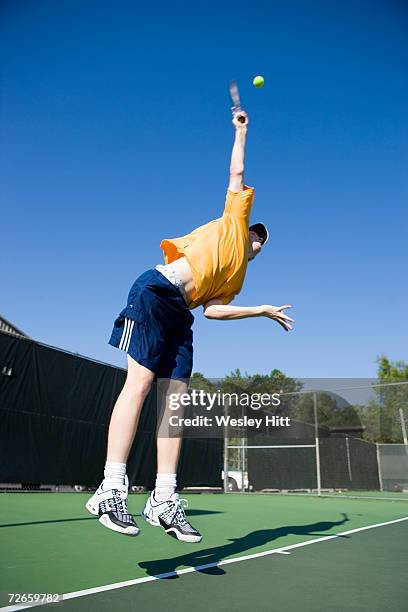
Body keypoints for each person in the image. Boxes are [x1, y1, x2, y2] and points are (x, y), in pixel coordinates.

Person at [86, 109, 294, 542]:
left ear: (262, 248)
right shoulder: (234, 223)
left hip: (183, 314)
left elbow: (213, 311)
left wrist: (261, 310)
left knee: (175, 402)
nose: (255, 235)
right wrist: (242, 132)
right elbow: (237, 171)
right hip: (156, 291)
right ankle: (110, 487)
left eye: (261, 237)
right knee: (139, 385)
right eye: (255, 230)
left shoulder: (237, 278)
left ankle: (163, 498)